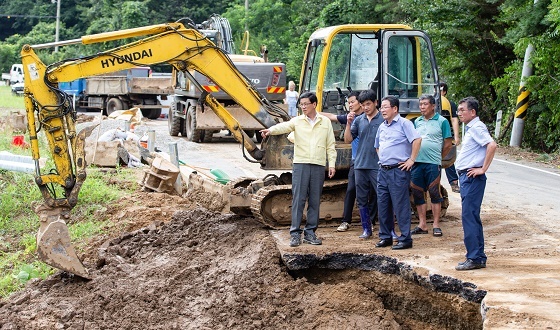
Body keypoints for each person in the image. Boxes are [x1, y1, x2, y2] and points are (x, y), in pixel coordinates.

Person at [260, 92, 337, 247]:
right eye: (301, 104)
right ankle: (295, 233)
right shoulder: (297, 121)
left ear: (314, 104)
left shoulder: (325, 122)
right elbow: (283, 127)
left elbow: (330, 145)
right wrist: (270, 130)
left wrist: (332, 164)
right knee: (298, 199)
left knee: (315, 200)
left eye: (306, 104)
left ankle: (310, 233)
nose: (303, 107)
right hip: (301, 164)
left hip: (318, 164)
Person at [321, 91, 375, 232]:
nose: (350, 104)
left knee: (374, 192)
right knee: (351, 189)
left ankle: (372, 220)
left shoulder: (372, 118)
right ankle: (346, 220)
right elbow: (332, 117)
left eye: (352, 102)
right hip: (356, 160)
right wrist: (313, 112)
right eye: (349, 102)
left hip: (373, 160)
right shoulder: (351, 118)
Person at [454, 97, 497, 270]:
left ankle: (474, 257)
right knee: (471, 216)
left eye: (462, 110)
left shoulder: (477, 127)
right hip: (467, 177)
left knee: (469, 217)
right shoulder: (470, 127)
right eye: (458, 110)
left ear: (473, 112)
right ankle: (477, 256)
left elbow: (491, 145)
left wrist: (482, 169)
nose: (459, 113)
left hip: (472, 177)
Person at [374, 96, 421, 250]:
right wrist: (383, 160)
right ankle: (385, 236)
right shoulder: (382, 126)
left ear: (395, 109)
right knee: (383, 205)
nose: (382, 110)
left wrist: (411, 160)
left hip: (398, 171)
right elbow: (377, 146)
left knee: (400, 205)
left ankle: (405, 239)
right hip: (383, 171)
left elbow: (417, 140)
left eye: (385, 107)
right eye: (381, 107)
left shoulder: (404, 124)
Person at [410, 95, 452, 237]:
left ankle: (435, 225)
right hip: (417, 162)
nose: (422, 107)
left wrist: (438, 158)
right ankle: (422, 224)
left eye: (425, 104)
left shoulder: (442, 121)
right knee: (417, 192)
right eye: (420, 104)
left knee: (434, 192)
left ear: (433, 106)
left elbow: (447, 144)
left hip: (433, 164)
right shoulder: (417, 121)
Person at [344, 89, 383, 239]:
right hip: (360, 164)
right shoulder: (359, 120)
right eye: (363, 104)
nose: (366, 107)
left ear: (375, 103)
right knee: (361, 199)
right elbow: (348, 140)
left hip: (377, 165)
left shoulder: (383, 119)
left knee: (382, 196)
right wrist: (348, 124)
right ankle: (366, 229)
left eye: (368, 104)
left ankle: (386, 229)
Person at [440, 82, 461, 193]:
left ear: (445, 92)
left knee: (448, 159)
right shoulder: (428, 103)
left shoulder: (449, 104)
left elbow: (454, 119)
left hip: (446, 136)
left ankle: (454, 183)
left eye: (441, 90)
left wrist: (456, 136)